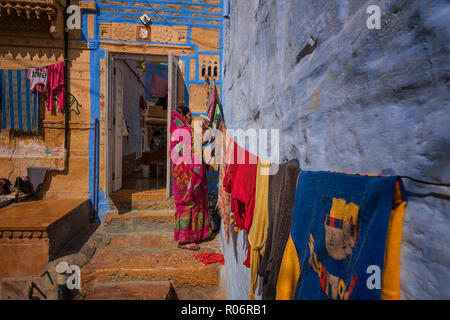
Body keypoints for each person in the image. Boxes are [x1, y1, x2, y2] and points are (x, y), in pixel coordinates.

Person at [169, 105, 212, 250]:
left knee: (193, 202)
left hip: (186, 173)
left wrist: (206, 132)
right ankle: (184, 240)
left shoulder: (184, 130)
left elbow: (196, 143)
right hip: (186, 174)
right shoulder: (182, 131)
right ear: (183, 117)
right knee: (186, 203)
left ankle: (195, 235)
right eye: (189, 116)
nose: (191, 119)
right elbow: (192, 146)